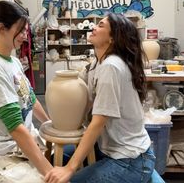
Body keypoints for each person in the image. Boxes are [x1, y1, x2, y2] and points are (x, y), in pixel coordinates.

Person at [45, 13, 165, 183]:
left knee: (67, 177)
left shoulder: (112, 66)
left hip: (129, 159)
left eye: (100, 25)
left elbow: (98, 121)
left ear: (113, 39)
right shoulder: (97, 62)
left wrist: (70, 168)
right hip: (107, 147)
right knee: (54, 160)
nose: (94, 27)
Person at [0, 1, 52, 182]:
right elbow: (15, 127)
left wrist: (49, 123)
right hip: (5, 149)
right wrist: (50, 172)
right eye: (21, 30)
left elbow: (30, 99)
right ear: (2, 29)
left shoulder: (13, 61)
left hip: (23, 138)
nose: (24, 36)